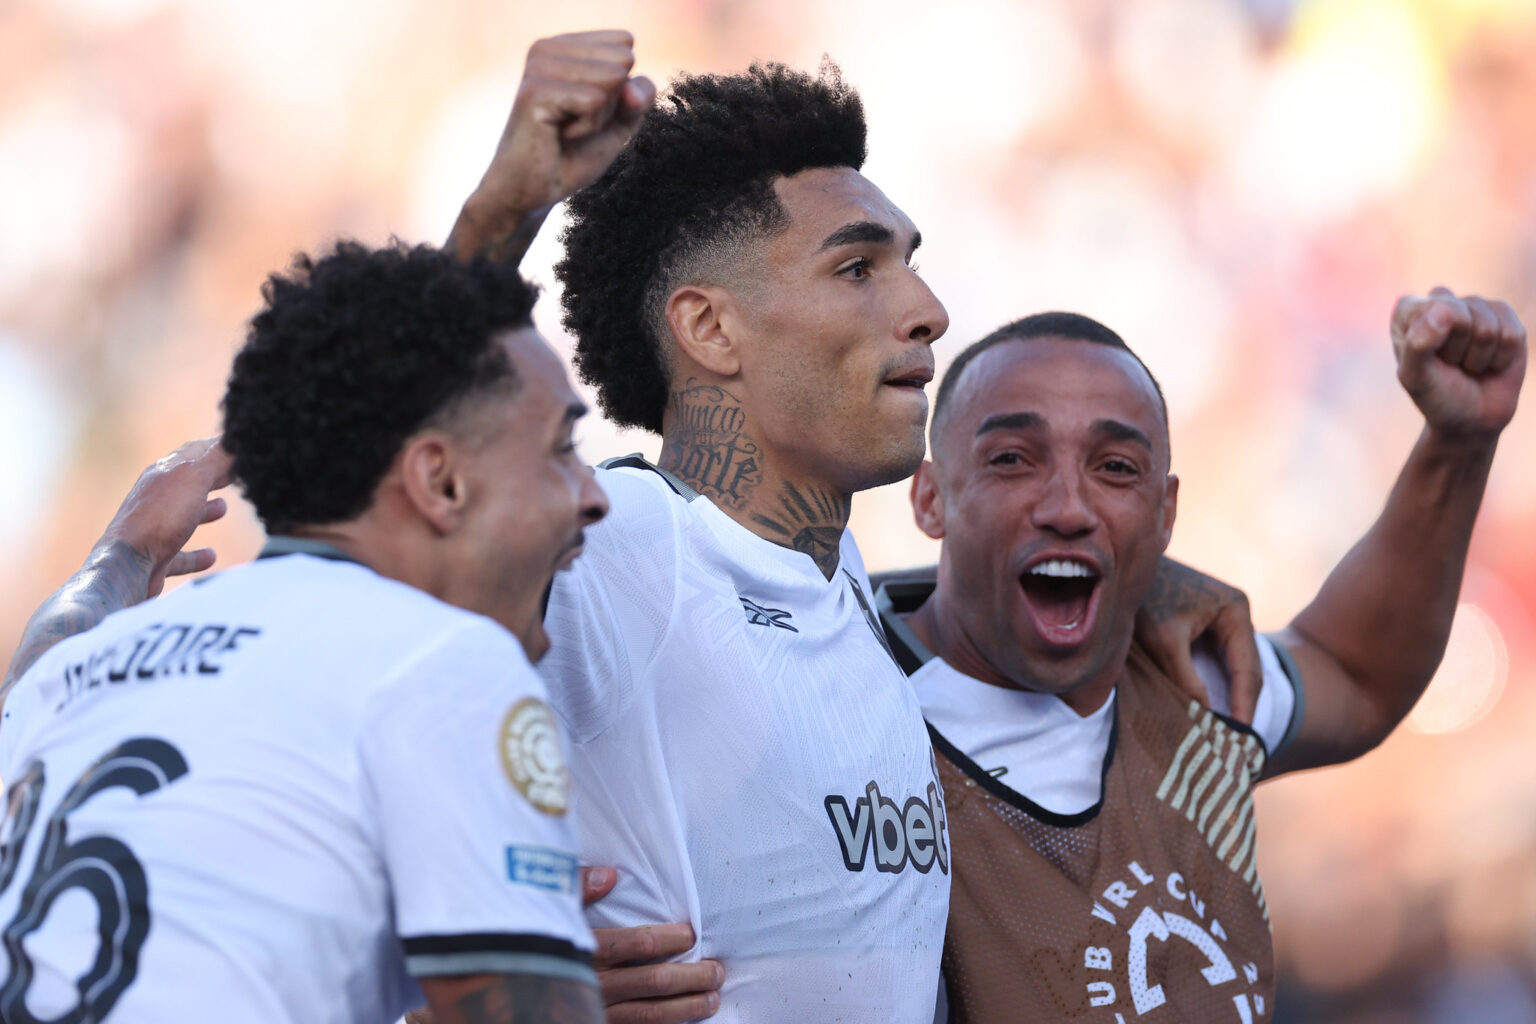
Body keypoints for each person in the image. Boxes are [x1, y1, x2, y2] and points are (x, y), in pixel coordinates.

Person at [442, 31, 1267, 1024]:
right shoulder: (622, 550)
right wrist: (501, 213)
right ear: (711, 329)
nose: (928, 310)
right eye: (858, 269)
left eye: (908, 263)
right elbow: (382, 499)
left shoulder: (847, 598)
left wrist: (1146, 578)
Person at [872, 292, 1526, 1021]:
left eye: (1116, 468)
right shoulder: (845, 704)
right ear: (929, 499)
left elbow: (1357, 676)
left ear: (1166, 514)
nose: (1067, 506)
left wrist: (1458, 442)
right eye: (1012, 460)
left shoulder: (1194, 684)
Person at [0, 242, 610, 1024]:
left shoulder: (76, 672)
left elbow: (45, 665)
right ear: (441, 481)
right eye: (562, 450)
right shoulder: (441, 663)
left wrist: (124, 555)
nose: (593, 496)